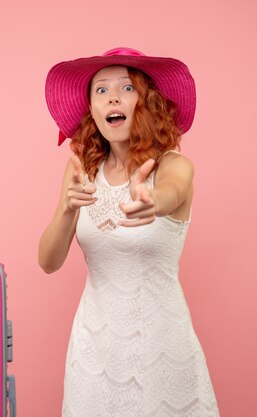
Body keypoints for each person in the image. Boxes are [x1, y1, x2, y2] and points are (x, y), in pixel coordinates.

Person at [39, 47, 220, 417]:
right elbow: (48, 261)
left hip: (161, 343)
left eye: (126, 87)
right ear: (92, 109)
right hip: (95, 346)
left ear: (146, 102)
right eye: (101, 90)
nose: (113, 97)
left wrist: (153, 201)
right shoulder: (81, 172)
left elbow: (172, 191)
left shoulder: (174, 165)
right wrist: (67, 209)